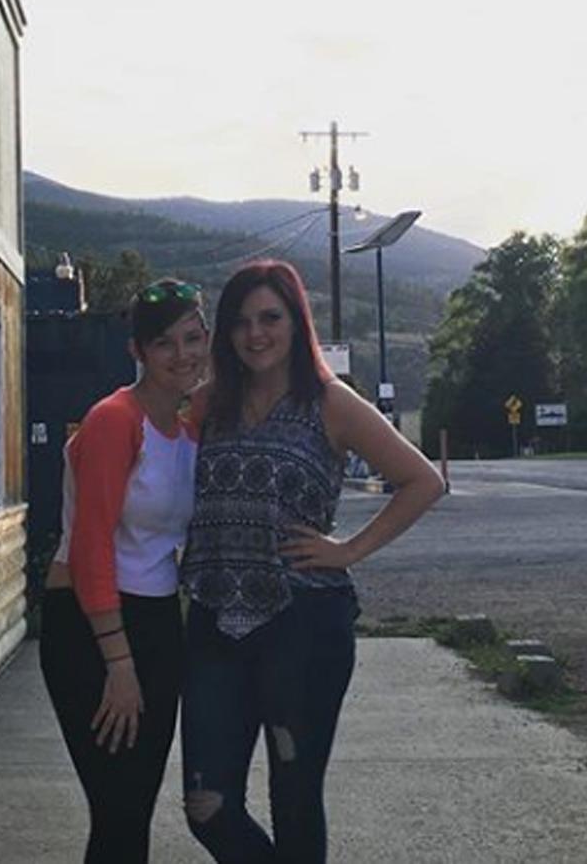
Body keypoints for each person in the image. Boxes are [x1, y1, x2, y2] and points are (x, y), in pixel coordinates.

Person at [180, 259, 444, 863]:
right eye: (242, 322)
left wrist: (348, 549)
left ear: (297, 323)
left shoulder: (330, 402)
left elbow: (422, 481)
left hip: (302, 626)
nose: (256, 333)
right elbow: (148, 432)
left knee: (294, 800)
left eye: (270, 317)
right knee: (207, 805)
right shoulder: (210, 403)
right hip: (213, 625)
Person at [40, 278, 208, 864]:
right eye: (164, 343)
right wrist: (119, 663)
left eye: (193, 337)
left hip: (158, 623)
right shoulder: (115, 420)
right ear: (137, 351)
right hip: (92, 628)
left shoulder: (186, 432)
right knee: (116, 810)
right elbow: (91, 547)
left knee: (131, 811)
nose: (182, 354)